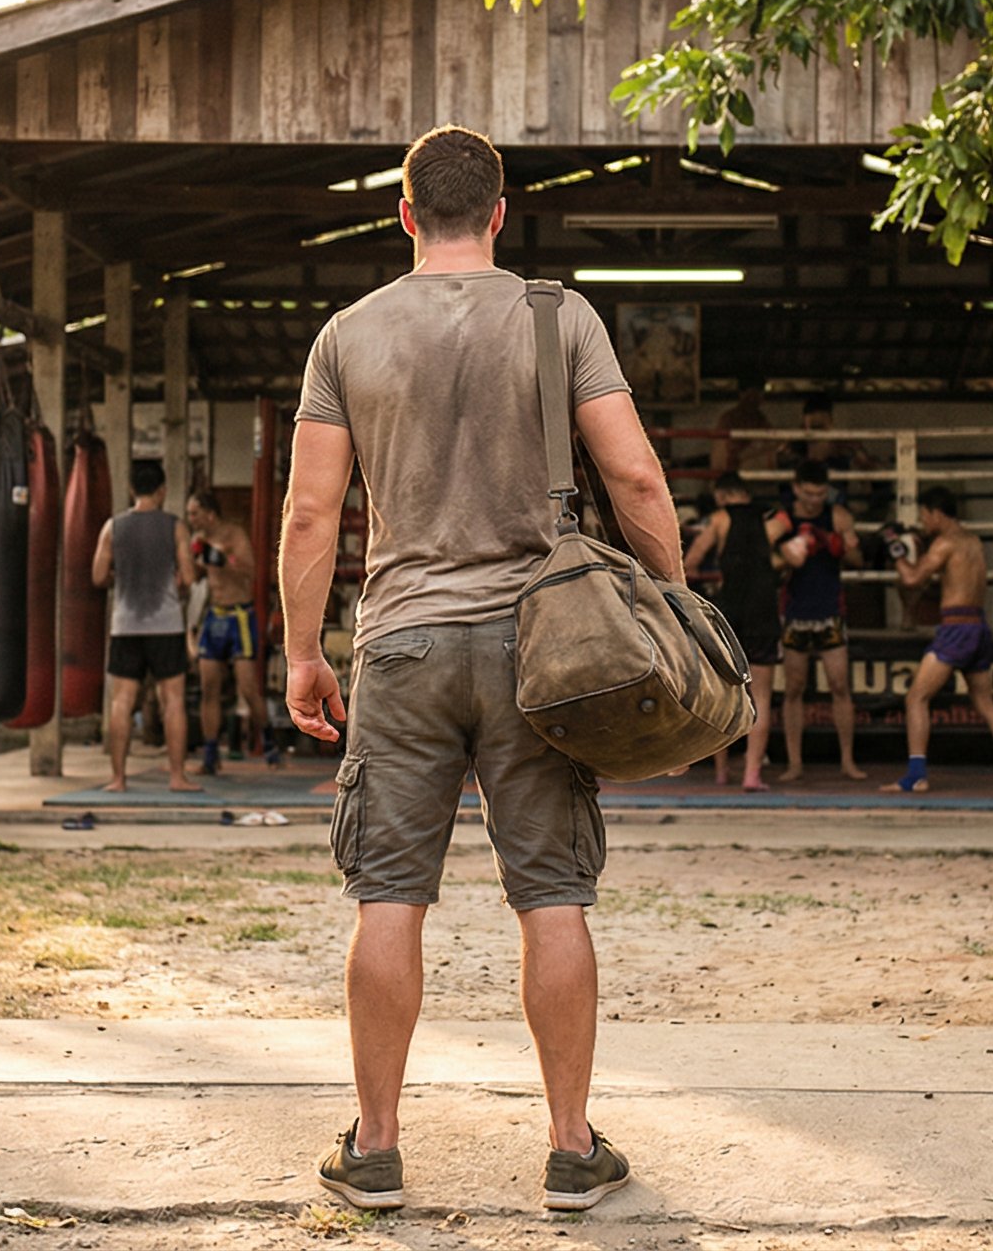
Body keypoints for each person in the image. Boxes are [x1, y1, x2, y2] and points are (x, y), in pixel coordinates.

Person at [281, 124, 676, 1214]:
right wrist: (671, 614)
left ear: (404, 214)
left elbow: (313, 509)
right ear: (501, 213)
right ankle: (566, 1151)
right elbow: (635, 481)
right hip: (540, 653)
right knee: (552, 897)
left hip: (399, 645)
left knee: (387, 897)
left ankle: (373, 1150)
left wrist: (302, 652)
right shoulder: (562, 319)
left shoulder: (348, 335)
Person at [882, 487, 993, 792]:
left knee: (916, 698)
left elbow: (912, 579)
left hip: (956, 629)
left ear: (937, 514)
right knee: (986, 703)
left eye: (924, 516)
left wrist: (894, 548)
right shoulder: (973, 541)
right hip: (978, 626)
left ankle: (916, 775)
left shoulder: (945, 544)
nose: (923, 522)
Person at [90, 459, 200, 793]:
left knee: (121, 702)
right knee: (173, 702)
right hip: (166, 625)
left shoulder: (113, 527)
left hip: (125, 625)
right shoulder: (175, 527)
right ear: (162, 490)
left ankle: (118, 779)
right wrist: (174, 585)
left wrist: (121, 578)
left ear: (131, 489)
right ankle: (177, 777)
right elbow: (190, 577)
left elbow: (97, 576)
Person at [769, 460, 868, 782]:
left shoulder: (837, 516)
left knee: (840, 686)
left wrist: (832, 543)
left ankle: (848, 761)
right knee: (794, 688)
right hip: (796, 611)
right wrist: (786, 555)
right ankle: (794, 763)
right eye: (809, 493)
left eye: (821, 493)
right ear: (797, 488)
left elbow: (857, 560)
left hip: (830, 611)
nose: (815, 499)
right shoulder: (782, 519)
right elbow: (763, 560)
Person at [682, 471, 780, 791]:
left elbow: (691, 561)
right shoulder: (774, 520)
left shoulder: (721, 519)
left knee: (725, 690)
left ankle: (722, 771)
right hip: (764, 611)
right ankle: (753, 774)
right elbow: (794, 555)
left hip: (730, 612)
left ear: (722, 495)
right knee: (761, 697)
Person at [186, 489, 274, 770]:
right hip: (215, 614)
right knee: (208, 686)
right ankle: (211, 754)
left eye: (194, 513)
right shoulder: (198, 540)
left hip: (239, 615)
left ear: (209, 514)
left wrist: (224, 560)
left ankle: (269, 741)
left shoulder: (234, 536)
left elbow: (250, 570)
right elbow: (196, 577)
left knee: (247, 687)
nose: (191, 519)